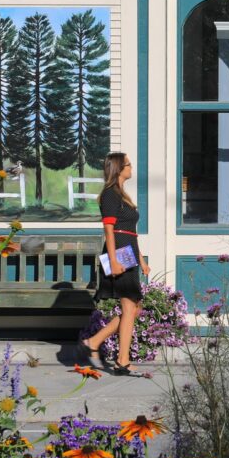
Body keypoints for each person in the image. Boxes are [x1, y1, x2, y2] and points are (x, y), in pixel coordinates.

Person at [80, 152, 150, 375]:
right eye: (128, 164)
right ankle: (122, 361)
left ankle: (94, 342)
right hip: (118, 253)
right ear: (119, 168)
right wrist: (112, 260)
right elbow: (109, 230)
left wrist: (141, 259)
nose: (131, 167)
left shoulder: (122, 195)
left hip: (128, 252)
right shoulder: (110, 194)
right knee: (130, 307)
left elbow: (130, 232)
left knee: (134, 308)